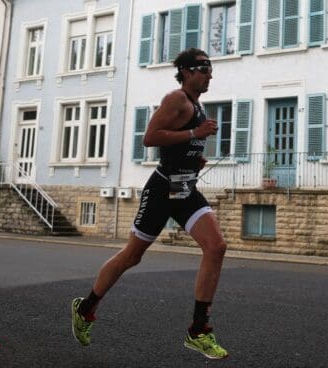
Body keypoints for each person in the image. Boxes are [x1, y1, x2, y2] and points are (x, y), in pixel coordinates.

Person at [71, 48, 229, 360]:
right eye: (203, 68)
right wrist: (195, 133)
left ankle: (198, 330)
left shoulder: (197, 105)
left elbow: (177, 145)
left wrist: (195, 158)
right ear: (185, 71)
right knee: (131, 256)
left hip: (184, 187)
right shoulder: (176, 99)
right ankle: (85, 308)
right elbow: (151, 137)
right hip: (161, 189)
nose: (210, 74)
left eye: (211, 69)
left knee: (216, 247)